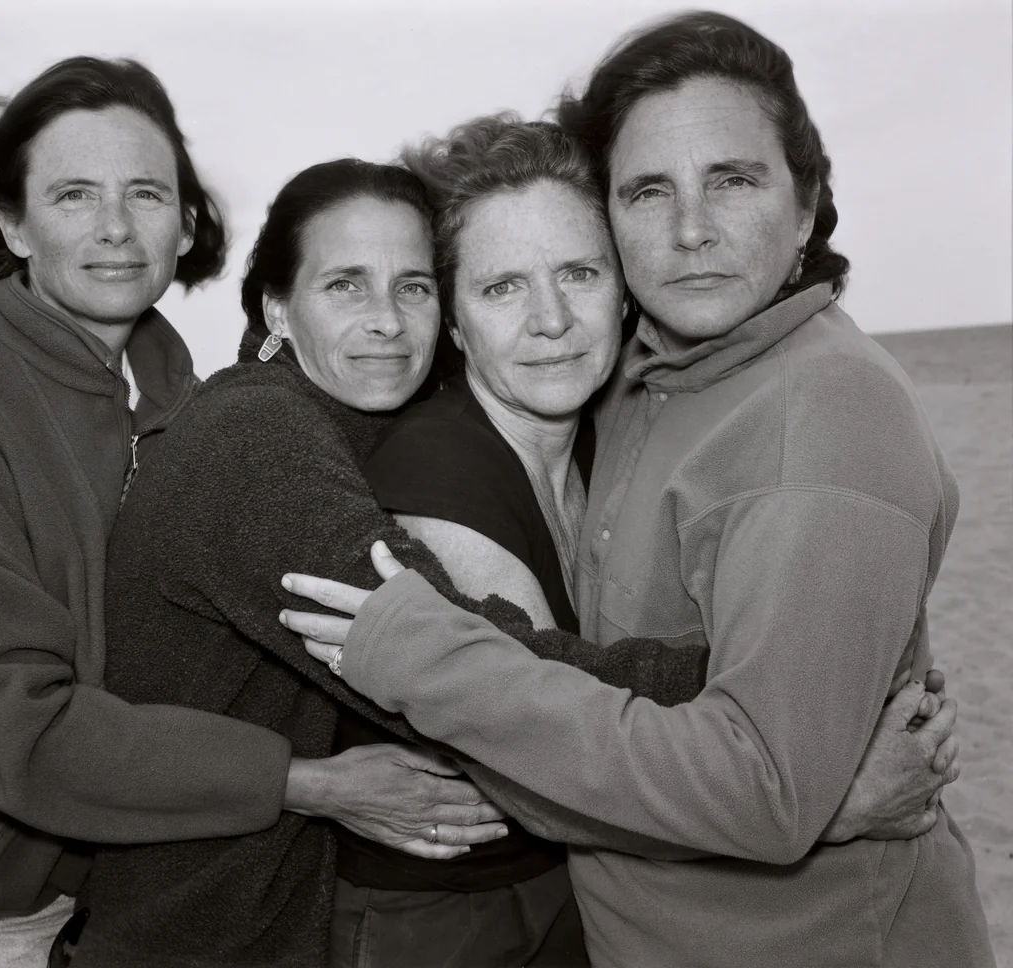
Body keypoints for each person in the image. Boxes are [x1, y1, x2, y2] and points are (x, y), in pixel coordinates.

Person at [282, 13, 996, 968]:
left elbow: (757, 788)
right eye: (649, 190)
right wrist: (828, 796)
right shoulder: (649, 383)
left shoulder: (815, 418)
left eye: (733, 180)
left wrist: (806, 801)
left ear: (807, 198)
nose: (692, 231)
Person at [0, 58, 500, 968]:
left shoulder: (181, 399)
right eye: (74, 194)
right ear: (13, 223)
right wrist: (306, 783)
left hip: (138, 880)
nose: (115, 227)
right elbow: (20, 730)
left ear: (185, 225)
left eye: (146, 193)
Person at [71, 158, 715, 968]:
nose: (387, 320)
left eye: (413, 286)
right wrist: (736, 684)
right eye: (346, 285)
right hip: (208, 929)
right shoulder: (253, 439)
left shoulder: (351, 419)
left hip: (274, 899)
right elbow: (470, 661)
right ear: (276, 306)